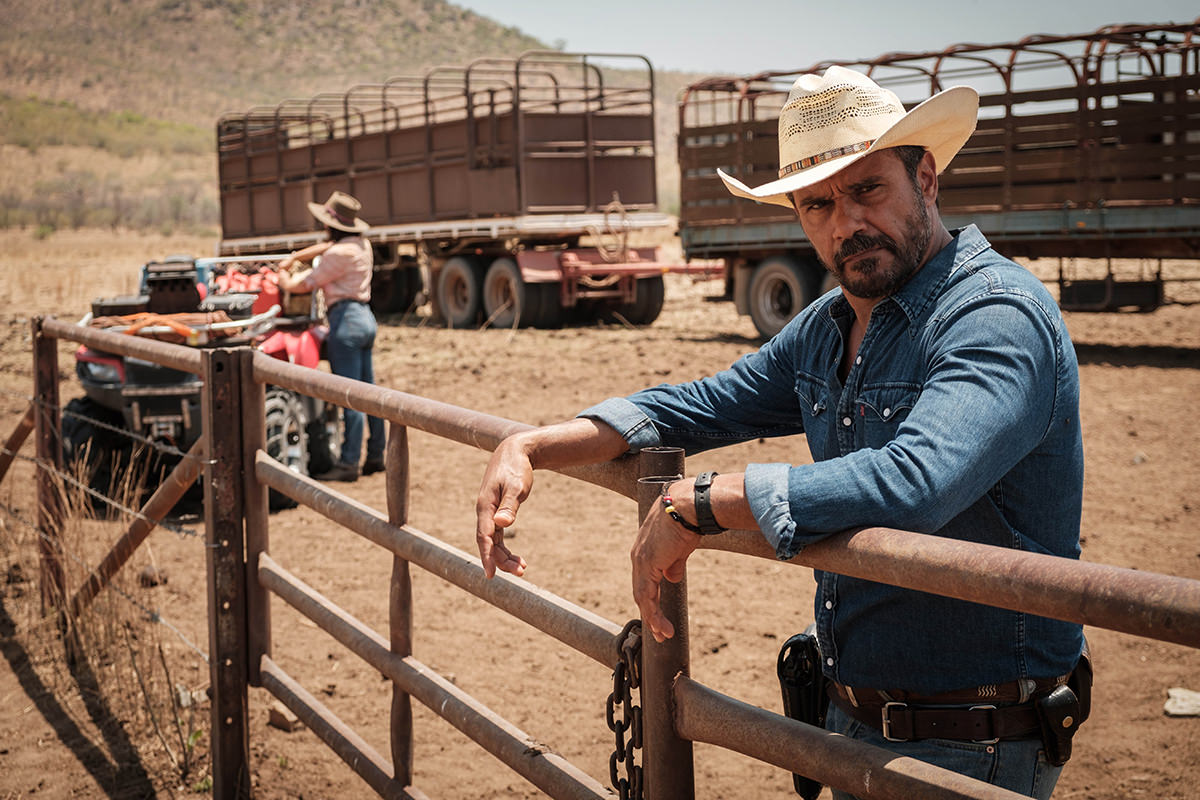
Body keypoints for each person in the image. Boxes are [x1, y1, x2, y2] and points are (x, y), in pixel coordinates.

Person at [474, 66, 1087, 799]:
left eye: (866, 190)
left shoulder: (993, 316)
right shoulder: (830, 325)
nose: (844, 224)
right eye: (817, 204)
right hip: (851, 717)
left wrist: (703, 502)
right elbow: (700, 404)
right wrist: (534, 443)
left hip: (973, 737)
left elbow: (917, 480)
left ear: (924, 176)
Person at [278, 191, 385, 482]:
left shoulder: (337, 254)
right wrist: (298, 255)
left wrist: (282, 277)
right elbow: (326, 247)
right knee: (369, 392)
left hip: (345, 322)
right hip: (365, 318)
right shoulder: (361, 245)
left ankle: (349, 463)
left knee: (349, 396)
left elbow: (306, 284)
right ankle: (376, 453)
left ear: (330, 225)